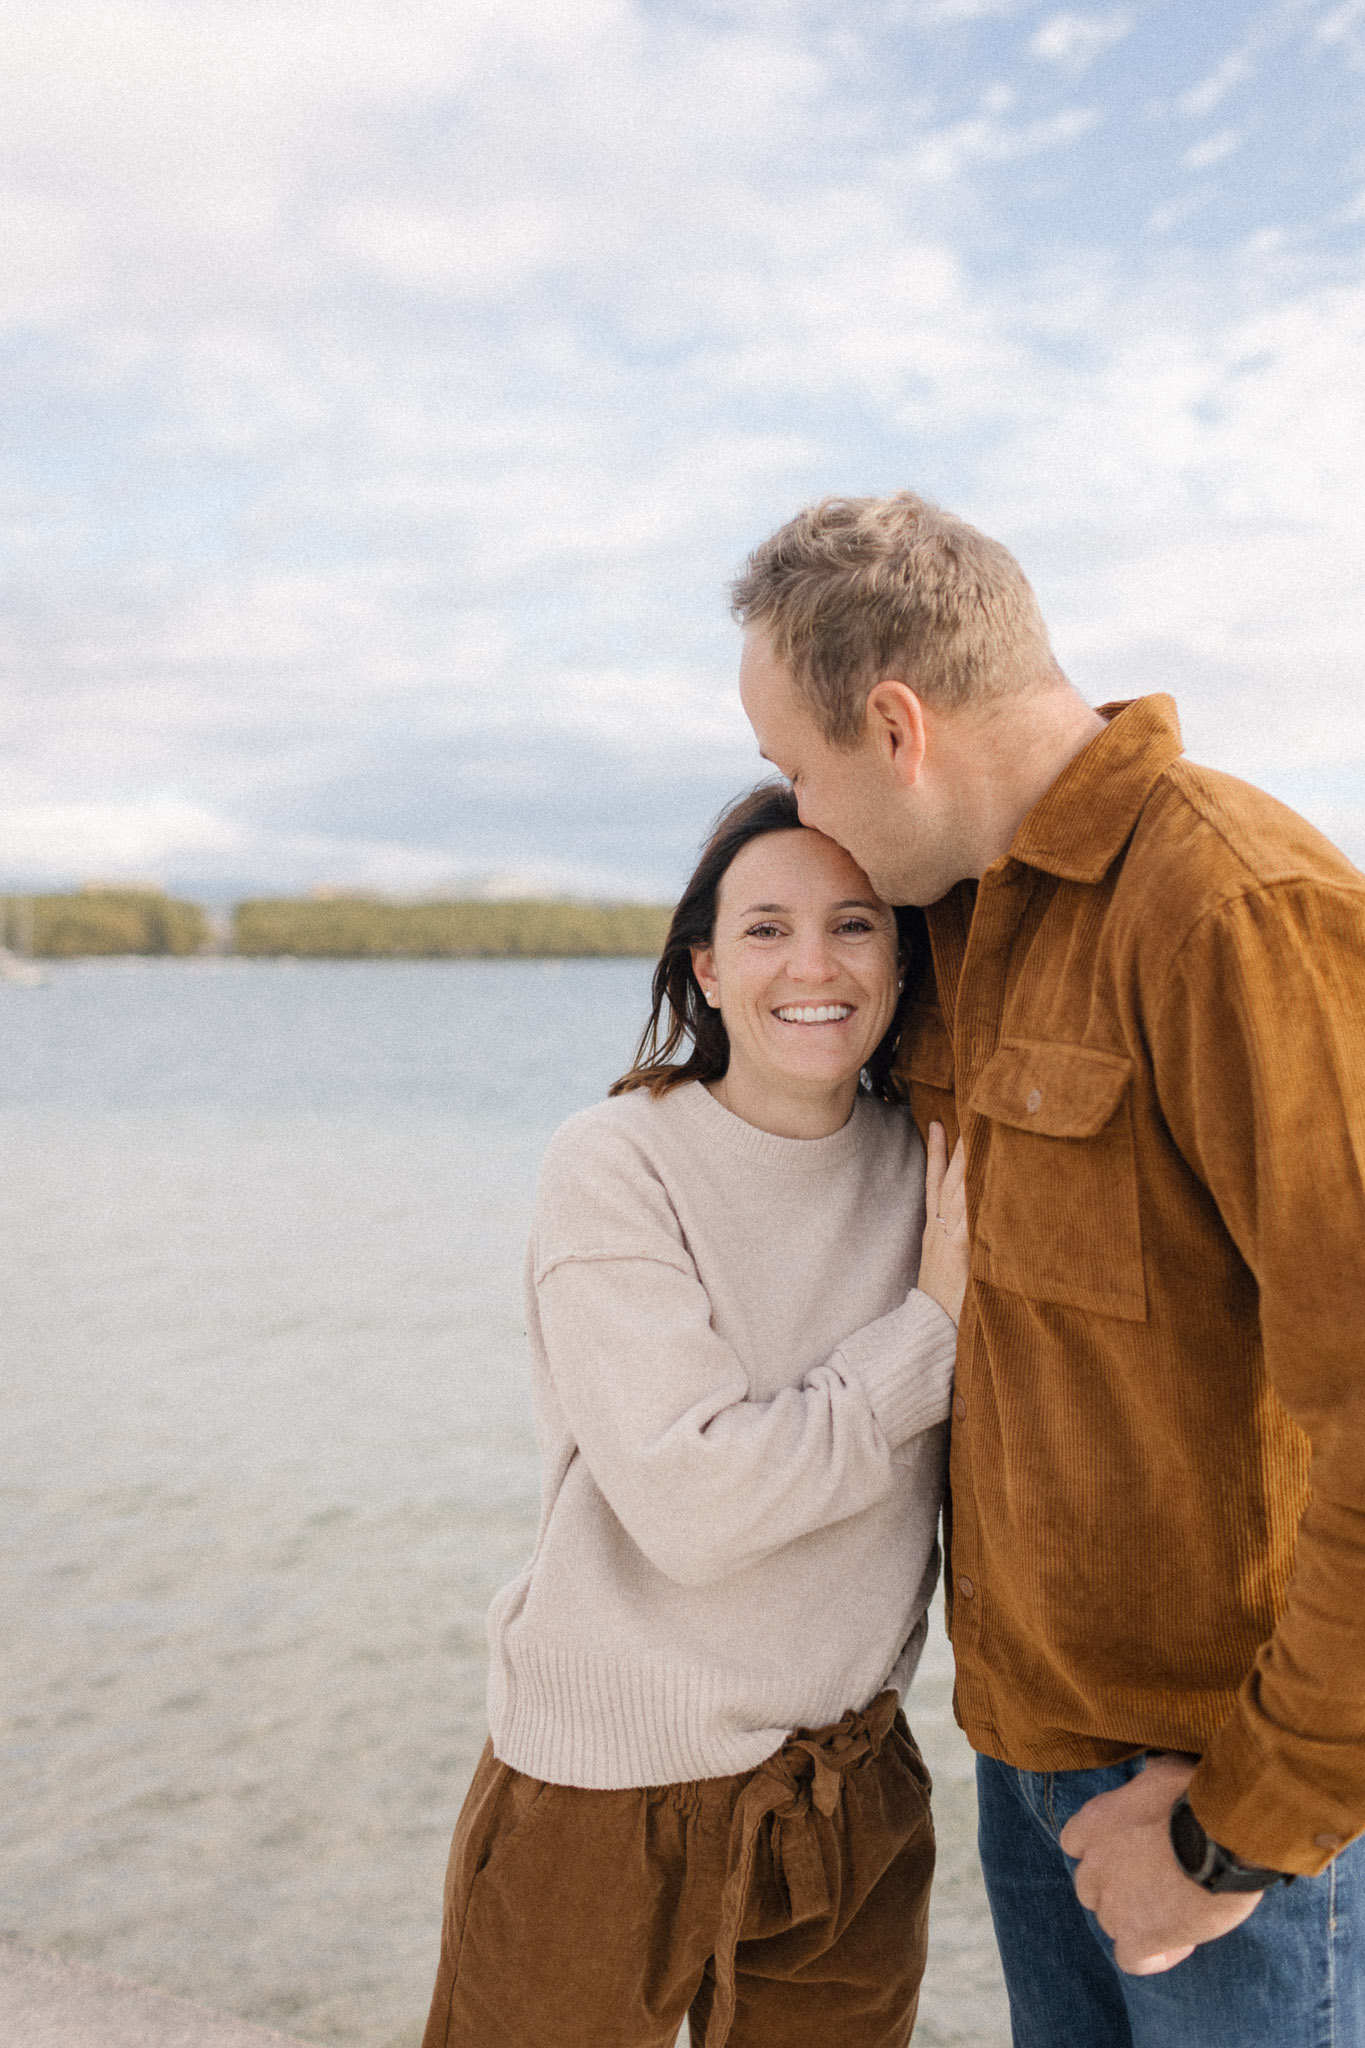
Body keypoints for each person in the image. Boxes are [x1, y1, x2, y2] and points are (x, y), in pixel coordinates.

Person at [731, 489, 1365, 2047]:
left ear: (896, 726)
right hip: (1032, 1768)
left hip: (1228, 1810)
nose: (797, 810)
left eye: (792, 769)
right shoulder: (953, 931)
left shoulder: (1233, 906)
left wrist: (1237, 1834)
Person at [420, 782, 970, 2048]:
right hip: (599, 1790)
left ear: (901, 958)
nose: (814, 964)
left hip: (845, 1790)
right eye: (768, 929)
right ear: (708, 968)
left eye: (855, 923)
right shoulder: (616, 1161)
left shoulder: (932, 1161)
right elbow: (694, 1503)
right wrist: (927, 1338)